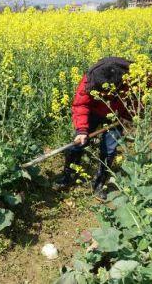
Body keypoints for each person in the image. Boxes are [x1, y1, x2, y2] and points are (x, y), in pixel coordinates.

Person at [55, 57, 133, 200]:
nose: (102, 95)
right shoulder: (90, 79)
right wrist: (82, 130)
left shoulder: (132, 76)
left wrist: (131, 116)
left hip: (116, 115)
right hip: (93, 111)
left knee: (109, 149)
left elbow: (140, 97)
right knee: (78, 143)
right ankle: (68, 176)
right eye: (100, 92)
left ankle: (99, 183)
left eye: (105, 92)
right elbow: (81, 105)